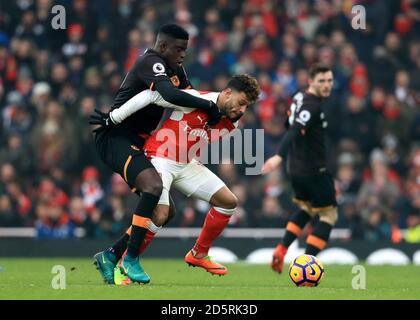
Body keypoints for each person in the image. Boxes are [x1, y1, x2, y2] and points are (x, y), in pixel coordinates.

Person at [89, 24, 222, 284]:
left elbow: (187, 96)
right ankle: (131, 260)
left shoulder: (176, 68)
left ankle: (111, 255)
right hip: (116, 138)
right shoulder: (151, 61)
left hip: (141, 142)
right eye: (179, 49)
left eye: (186, 49)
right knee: (152, 186)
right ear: (163, 47)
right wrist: (208, 104)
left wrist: (216, 109)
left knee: (164, 213)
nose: (183, 54)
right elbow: (169, 94)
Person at [105, 74, 260, 284]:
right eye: (241, 103)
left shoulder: (234, 118)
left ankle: (198, 254)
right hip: (160, 156)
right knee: (160, 214)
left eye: (247, 107)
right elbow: (151, 95)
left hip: (185, 163)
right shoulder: (194, 98)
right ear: (228, 93)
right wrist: (115, 117)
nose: (242, 110)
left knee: (228, 202)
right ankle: (124, 264)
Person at [262, 64, 337, 273]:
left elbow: (288, 122)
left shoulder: (298, 97)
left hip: (295, 168)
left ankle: (281, 249)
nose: (326, 85)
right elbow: (294, 129)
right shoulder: (312, 105)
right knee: (329, 215)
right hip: (314, 169)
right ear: (311, 81)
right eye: (322, 81)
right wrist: (278, 156)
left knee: (307, 208)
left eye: (330, 80)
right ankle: (306, 265)